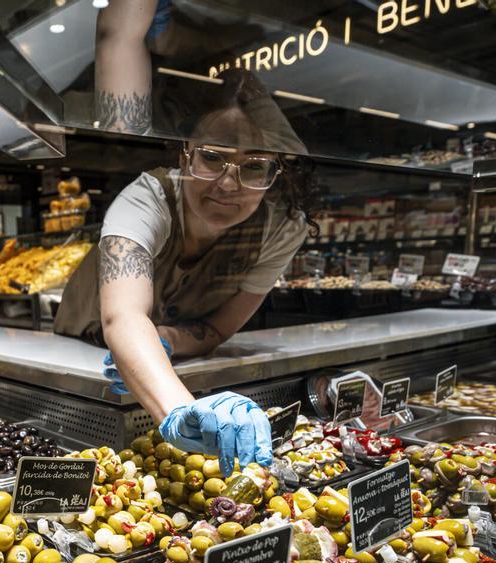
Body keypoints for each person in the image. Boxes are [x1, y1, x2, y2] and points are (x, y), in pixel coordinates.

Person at [55, 56, 315, 476]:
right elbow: (123, 316)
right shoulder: (144, 201)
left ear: (274, 172)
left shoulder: (282, 229)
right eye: (212, 158)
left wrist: (168, 340)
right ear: (185, 155)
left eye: (253, 167)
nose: (228, 184)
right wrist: (178, 410)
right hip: (80, 361)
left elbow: (218, 329)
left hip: (171, 365)